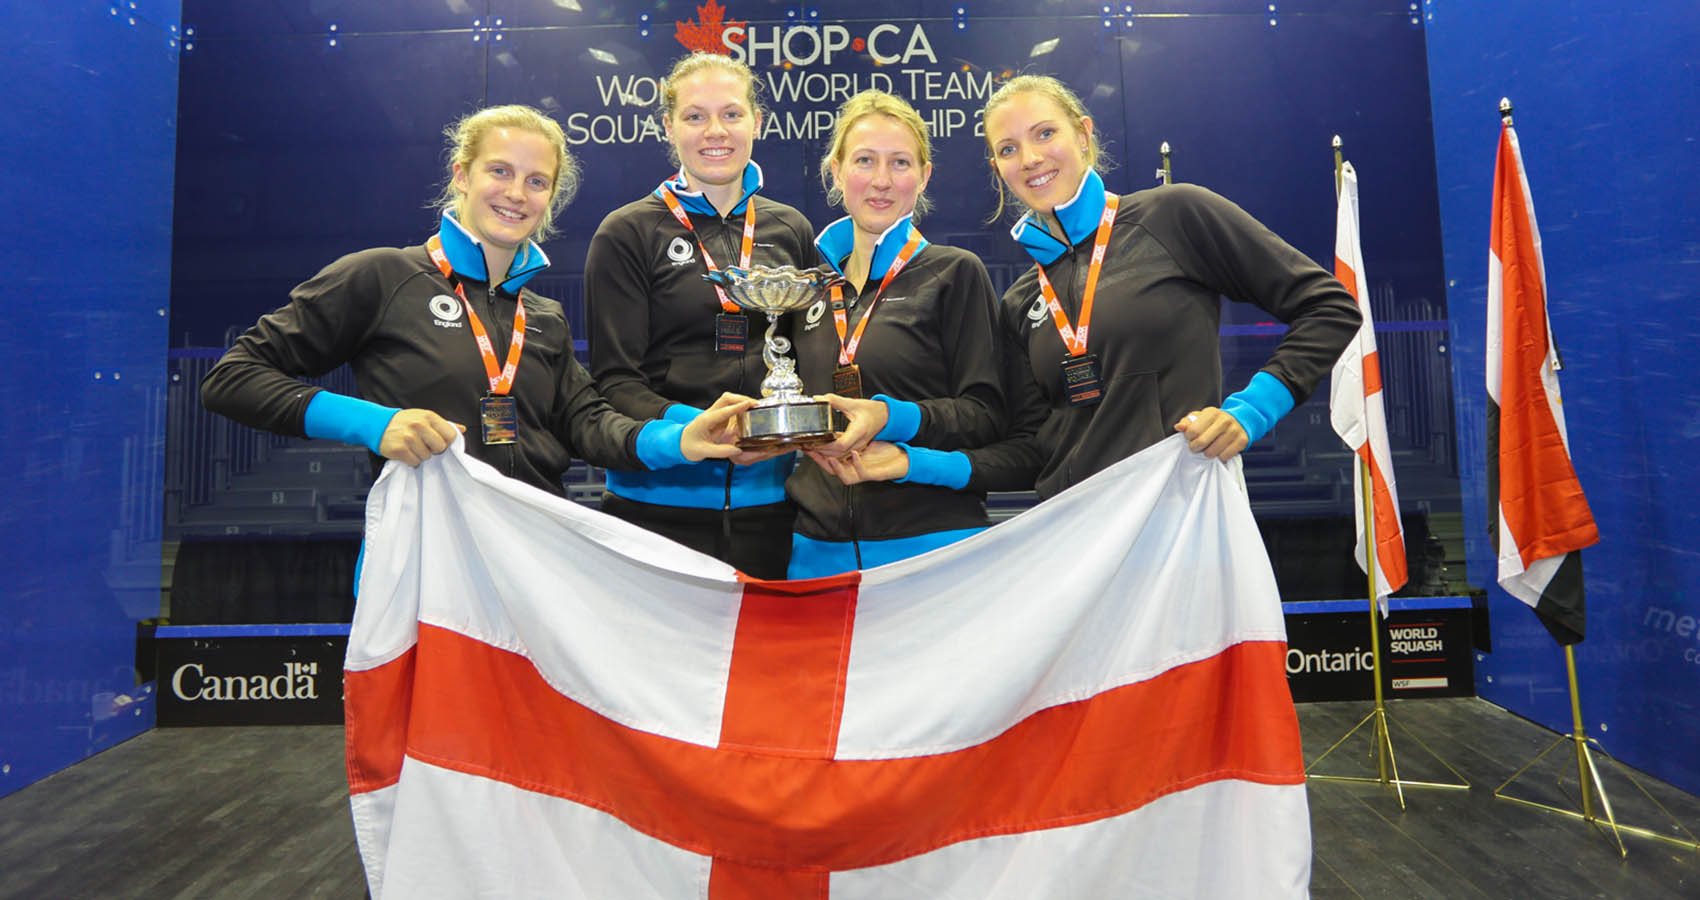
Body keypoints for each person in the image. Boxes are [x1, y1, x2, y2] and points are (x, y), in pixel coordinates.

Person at [829, 75, 1360, 501]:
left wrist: (1251, 412)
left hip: (1180, 510)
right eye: (1009, 149)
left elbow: (1329, 307)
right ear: (997, 169)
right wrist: (909, 461)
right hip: (1075, 537)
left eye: (1045, 134)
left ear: (1082, 134)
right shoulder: (1021, 301)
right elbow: (1031, 454)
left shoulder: (1173, 214)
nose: (1031, 159)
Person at [201, 104, 749, 500]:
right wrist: (373, 424)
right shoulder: (382, 276)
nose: (516, 193)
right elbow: (232, 379)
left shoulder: (544, 317)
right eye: (500, 171)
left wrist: (680, 439)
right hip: (428, 562)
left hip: (537, 551)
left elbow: (589, 424)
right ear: (462, 176)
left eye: (537, 182)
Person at [584, 53, 817, 580]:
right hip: (655, 508)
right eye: (695, 116)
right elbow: (616, 381)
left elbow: (805, 361)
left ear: (757, 122)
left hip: (773, 510)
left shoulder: (791, 228)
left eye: (732, 114)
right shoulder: (627, 232)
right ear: (669, 127)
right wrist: (704, 429)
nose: (716, 131)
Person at [785, 90, 1006, 578]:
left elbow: (987, 415)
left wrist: (891, 419)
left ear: (924, 176)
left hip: (933, 549)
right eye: (865, 161)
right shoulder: (806, 288)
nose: (881, 181)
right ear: (837, 170)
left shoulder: (954, 273)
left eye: (900, 163)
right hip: (815, 552)